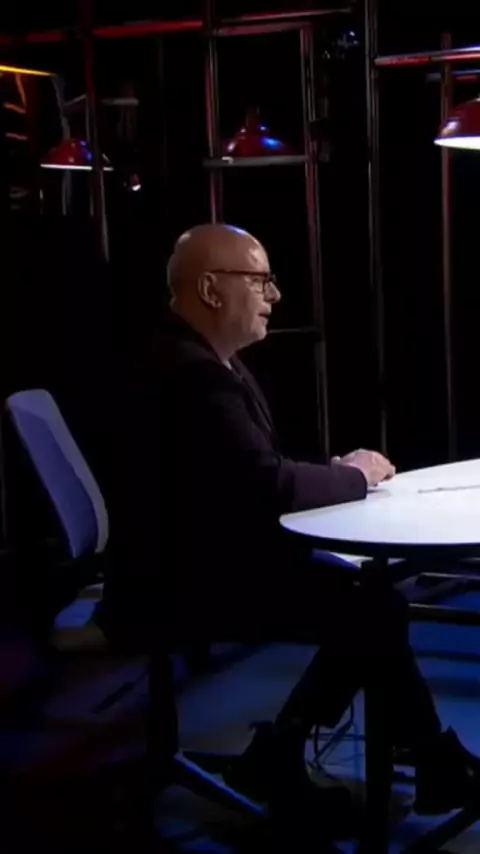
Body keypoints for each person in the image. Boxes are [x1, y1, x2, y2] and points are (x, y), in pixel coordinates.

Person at [103, 223, 480, 840]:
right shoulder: (190, 374)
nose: (274, 295)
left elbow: (247, 472)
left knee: (370, 603)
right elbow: (265, 486)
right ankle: (394, 757)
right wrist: (353, 478)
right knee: (370, 610)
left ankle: (313, 753)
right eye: (261, 281)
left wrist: (327, 476)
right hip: (174, 581)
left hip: (200, 555)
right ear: (211, 289)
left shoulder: (199, 360)